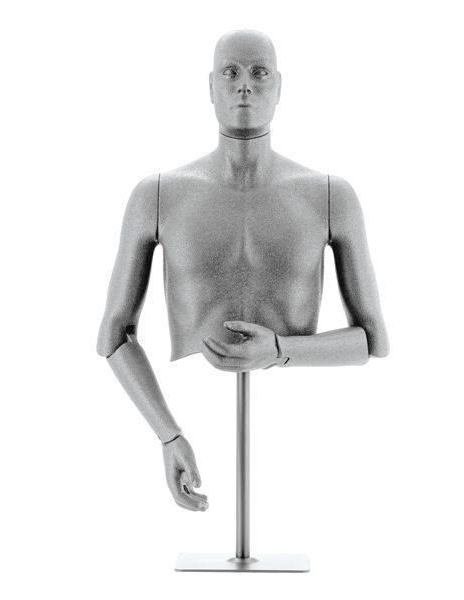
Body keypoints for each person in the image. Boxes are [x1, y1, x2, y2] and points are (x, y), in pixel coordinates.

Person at [97, 29, 389, 513]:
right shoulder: (158, 196)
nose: (245, 85)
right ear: (210, 87)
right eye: (230, 72)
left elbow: (372, 341)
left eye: (259, 72)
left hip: (300, 434)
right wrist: (168, 435)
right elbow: (113, 335)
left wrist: (279, 350)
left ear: (280, 86)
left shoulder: (329, 197)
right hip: (193, 409)